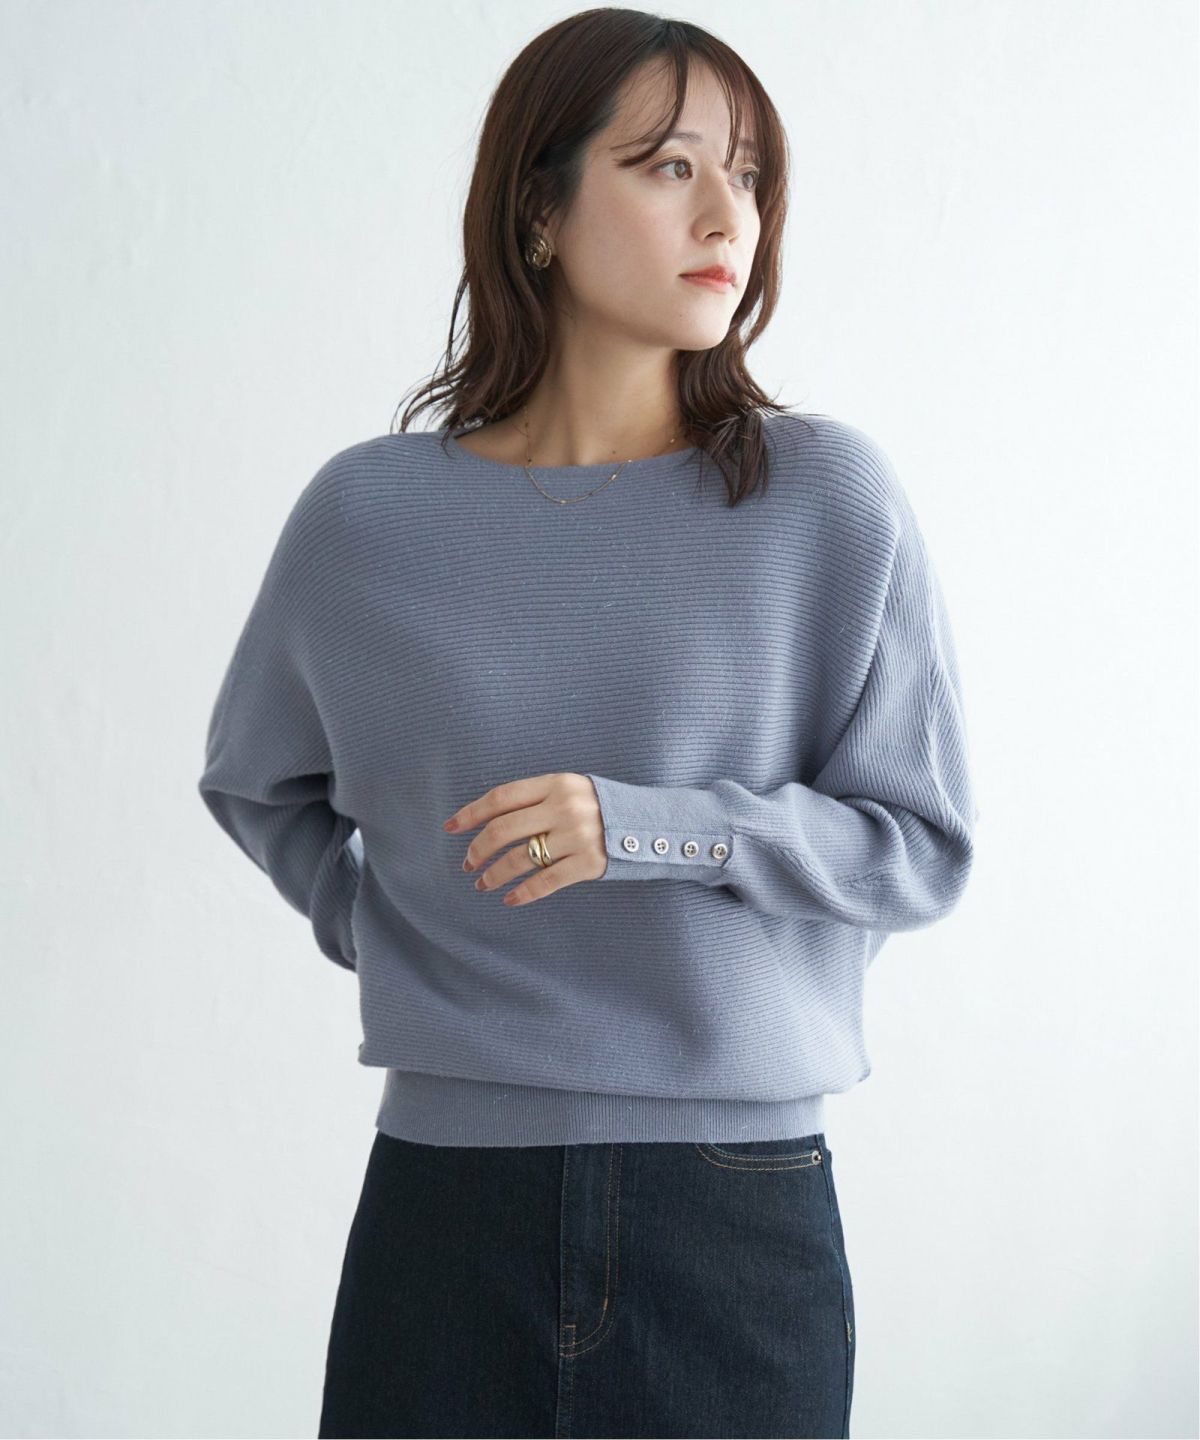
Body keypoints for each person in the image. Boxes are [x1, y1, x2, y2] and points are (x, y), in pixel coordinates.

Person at [196, 9, 978, 1438]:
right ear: (538, 212)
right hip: (445, 1209)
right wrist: (400, 922)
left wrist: (644, 829)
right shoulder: (368, 518)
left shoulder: (823, 501)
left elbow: (920, 848)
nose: (728, 214)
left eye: (749, 173)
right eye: (670, 165)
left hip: (733, 1222)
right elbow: (257, 781)